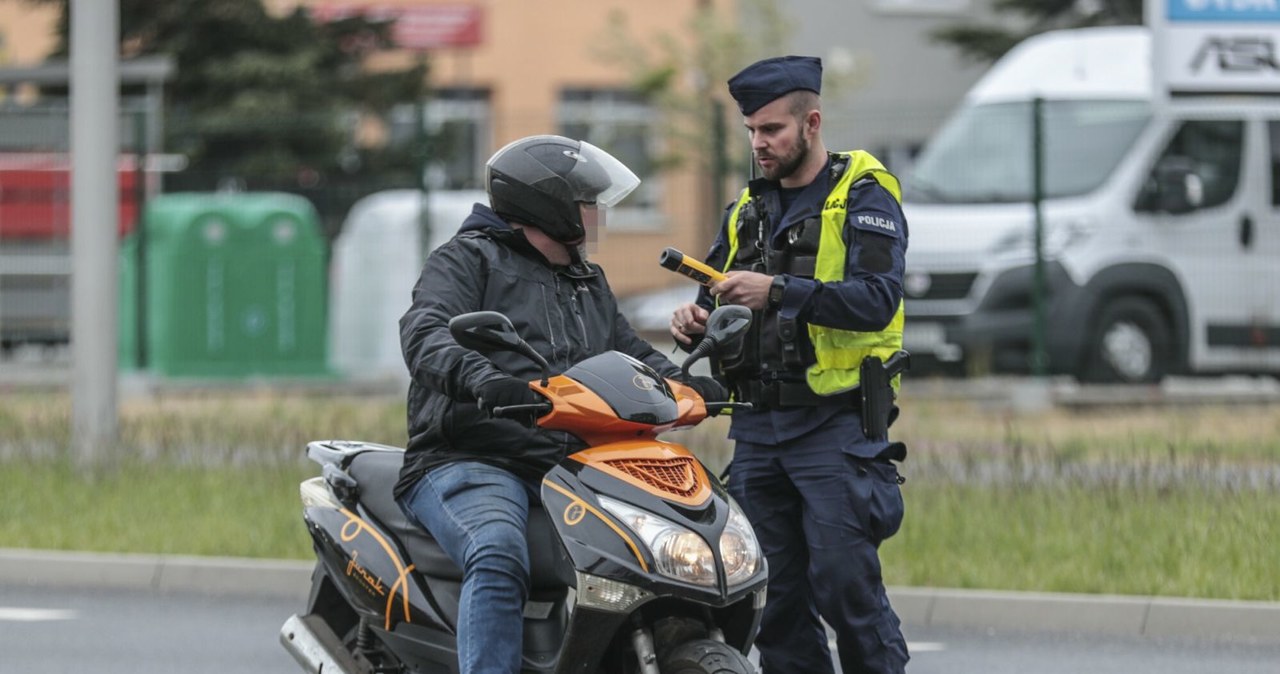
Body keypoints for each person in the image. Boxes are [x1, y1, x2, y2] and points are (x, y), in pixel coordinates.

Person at [395, 134, 724, 674]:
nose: (598, 216)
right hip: (470, 458)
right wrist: (485, 380)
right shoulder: (466, 260)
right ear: (548, 206)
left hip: (570, 466)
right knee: (498, 552)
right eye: (588, 203)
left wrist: (689, 387)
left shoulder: (585, 279)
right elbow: (425, 332)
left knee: (659, 552)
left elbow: (630, 353)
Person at [669, 56, 911, 673]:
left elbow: (878, 299)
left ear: (812, 122)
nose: (759, 143)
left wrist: (777, 291)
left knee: (844, 587)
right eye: (752, 131)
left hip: (834, 427)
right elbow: (715, 294)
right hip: (756, 429)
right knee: (770, 600)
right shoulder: (747, 207)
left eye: (772, 129)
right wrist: (694, 317)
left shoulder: (863, 191)